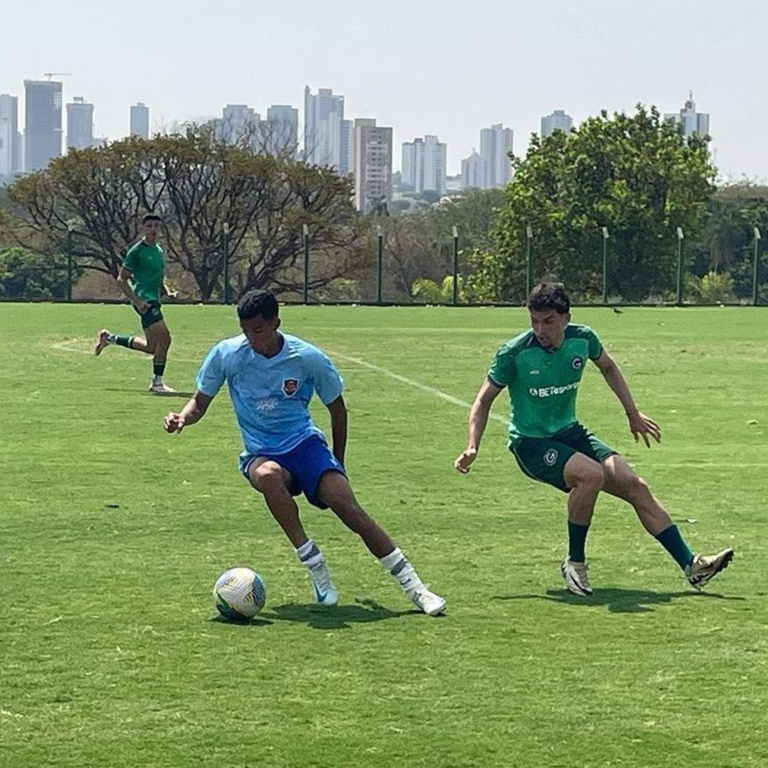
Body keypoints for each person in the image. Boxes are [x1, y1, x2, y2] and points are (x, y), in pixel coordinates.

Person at [163, 288, 446, 616]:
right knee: (267, 476)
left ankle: (417, 589)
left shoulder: (306, 358)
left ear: (275, 323)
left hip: (305, 446)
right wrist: (182, 417)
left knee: (348, 506)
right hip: (262, 452)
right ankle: (314, 564)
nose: (251, 339)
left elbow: (338, 410)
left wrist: (338, 463)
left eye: (257, 330)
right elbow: (200, 402)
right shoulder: (227, 355)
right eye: (245, 331)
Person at [454, 281, 734, 596]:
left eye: (548, 321)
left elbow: (609, 368)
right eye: (534, 321)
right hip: (531, 443)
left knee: (634, 484)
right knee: (590, 475)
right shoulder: (514, 352)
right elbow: (482, 401)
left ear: (566, 318)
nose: (540, 329)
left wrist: (633, 413)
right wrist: (472, 445)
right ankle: (575, 563)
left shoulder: (583, 339)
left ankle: (691, 565)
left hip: (569, 431)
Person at [93, 212, 176, 394]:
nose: (153, 229)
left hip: (153, 298)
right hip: (145, 301)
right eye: (149, 226)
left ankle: (109, 338)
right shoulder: (136, 251)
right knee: (166, 339)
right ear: (143, 228)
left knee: (152, 347)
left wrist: (166, 290)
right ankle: (157, 383)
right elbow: (121, 280)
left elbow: (157, 276)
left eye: (156, 226)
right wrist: (137, 302)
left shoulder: (158, 250)